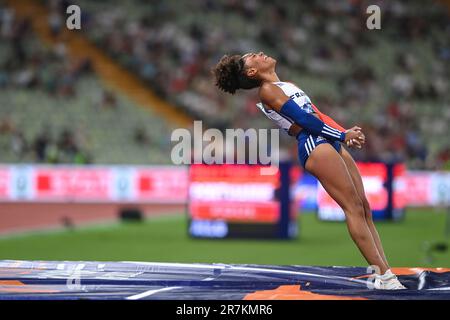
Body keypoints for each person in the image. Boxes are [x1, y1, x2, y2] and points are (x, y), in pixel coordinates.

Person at [212, 52, 406, 290]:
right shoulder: (267, 91)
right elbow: (304, 119)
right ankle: (385, 276)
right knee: (352, 207)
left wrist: (343, 133)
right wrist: (343, 136)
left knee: (363, 207)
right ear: (252, 72)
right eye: (253, 56)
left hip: (326, 139)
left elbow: (318, 115)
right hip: (314, 143)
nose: (260, 54)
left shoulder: (285, 86)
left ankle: (385, 272)